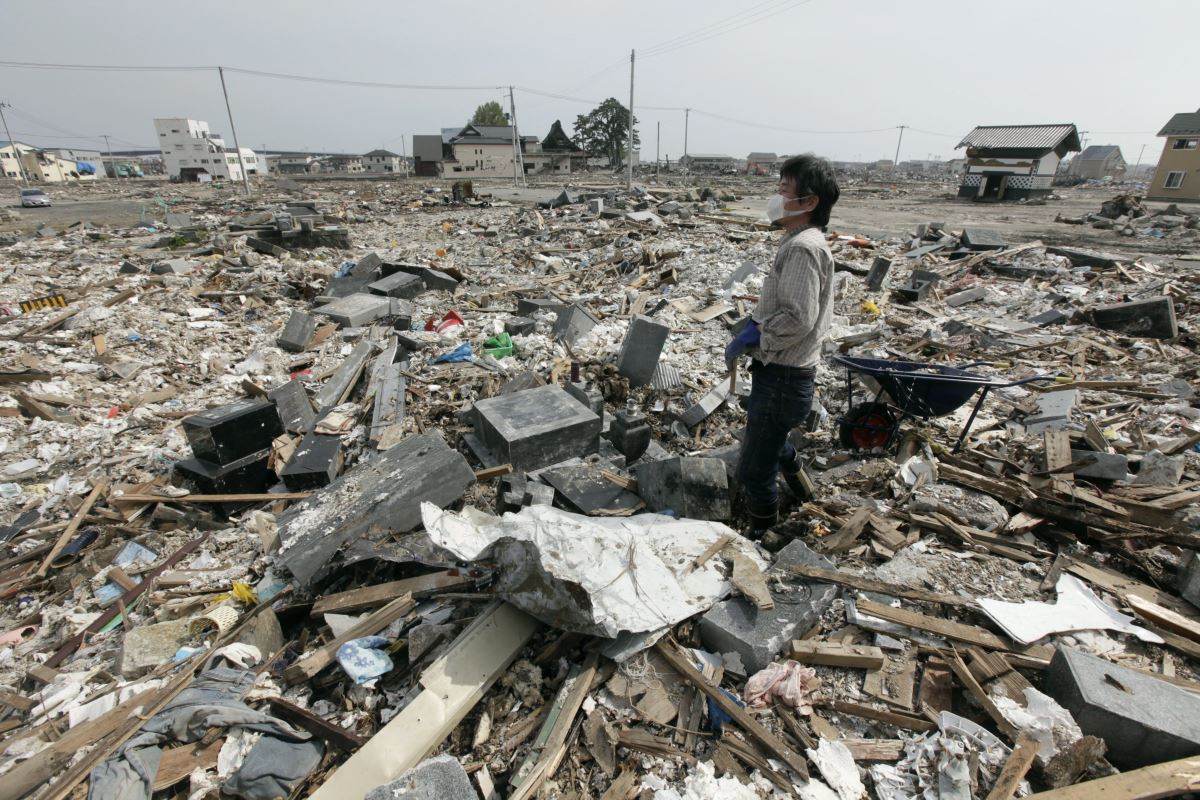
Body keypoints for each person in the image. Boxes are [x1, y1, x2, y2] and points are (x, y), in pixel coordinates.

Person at [725, 154, 839, 536]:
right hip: (789, 375)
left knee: (754, 470)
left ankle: (762, 538)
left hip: (784, 378)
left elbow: (798, 317)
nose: (776, 194)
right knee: (773, 442)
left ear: (809, 202)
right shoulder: (802, 241)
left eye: (784, 188)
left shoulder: (802, 248)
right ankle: (805, 492)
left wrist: (757, 334)